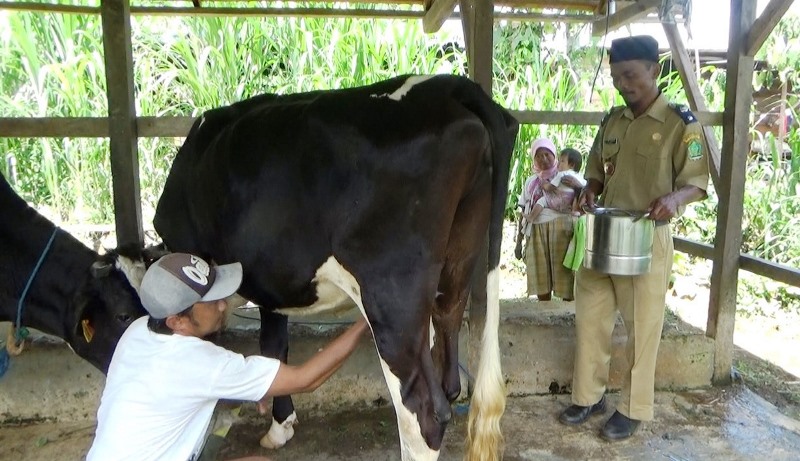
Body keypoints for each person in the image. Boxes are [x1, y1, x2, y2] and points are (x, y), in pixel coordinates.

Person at [558, 35, 710, 441]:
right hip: (604, 233)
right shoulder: (612, 121)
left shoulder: (680, 123)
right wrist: (589, 190)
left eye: (630, 75)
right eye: (616, 77)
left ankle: (632, 408)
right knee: (590, 318)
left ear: (654, 71)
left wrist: (673, 199)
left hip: (647, 238)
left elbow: (697, 183)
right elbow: (595, 171)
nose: (623, 84)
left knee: (642, 328)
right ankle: (589, 396)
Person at [87, 252, 369, 461]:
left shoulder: (138, 330)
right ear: (178, 322)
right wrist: (366, 322)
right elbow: (306, 380)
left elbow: (177, 387)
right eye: (211, 302)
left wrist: (248, 390)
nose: (223, 305)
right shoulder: (200, 362)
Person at [516, 138, 579, 302]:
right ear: (533, 159)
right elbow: (523, 210)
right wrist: (518, 242)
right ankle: (544, 311)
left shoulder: (566, 176)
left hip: (562, 231)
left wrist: (578, 187)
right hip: (536, 231)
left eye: (547, 154)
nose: (543, 159)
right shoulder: (531, 182)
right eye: (538, 156)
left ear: (555, 155)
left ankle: (566, 314)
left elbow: (582, 196)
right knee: (540, 276)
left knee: (565, 276)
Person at [525, 147, 586, 222]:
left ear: (571, 165)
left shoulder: (561, 174)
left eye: (562, 161)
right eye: (559, 160)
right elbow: (585, 188)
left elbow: (550, 187)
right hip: (569, 206)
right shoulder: (580, 176)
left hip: (557, 202)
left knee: (542, 200)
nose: (558, 163)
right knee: (577, 194)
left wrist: (544, 185)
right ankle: (575, 210)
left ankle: (531, 217)